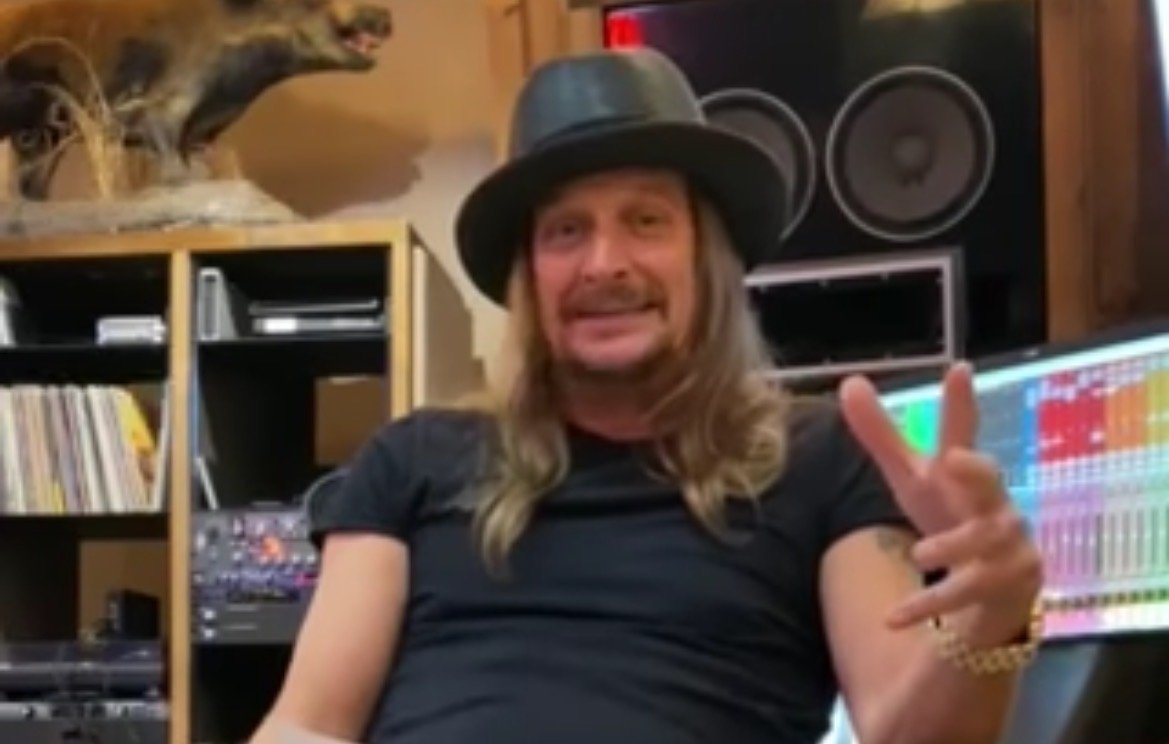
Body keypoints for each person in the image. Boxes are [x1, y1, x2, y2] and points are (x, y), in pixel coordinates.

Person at [249, 48, 1044, 744]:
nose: (603, 263)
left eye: (645, 220)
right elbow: (305, 725)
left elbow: (908, 734)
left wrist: (990, 615)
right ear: (530, 275)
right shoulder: (412, 458)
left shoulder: (824, 459)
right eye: (566, 231)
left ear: (706, 258)